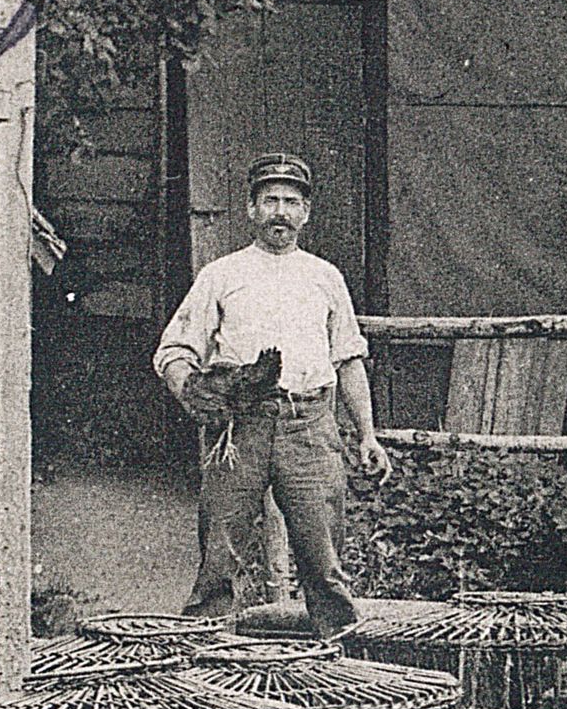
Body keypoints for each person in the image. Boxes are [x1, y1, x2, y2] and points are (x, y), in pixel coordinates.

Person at [155, 154, 392, 638]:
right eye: (269, 201)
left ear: (306, 212)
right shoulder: (221, 275)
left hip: (310, 424)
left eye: (291, 201)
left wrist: (367, 434)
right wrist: (194, 393)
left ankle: (339, 664)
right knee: (221, 558)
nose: (280, 212)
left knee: (324, 561)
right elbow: (174, 349)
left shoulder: (326, 277)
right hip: (240, 428)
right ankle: (204, 662)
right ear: (251, 209)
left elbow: (348, 359)